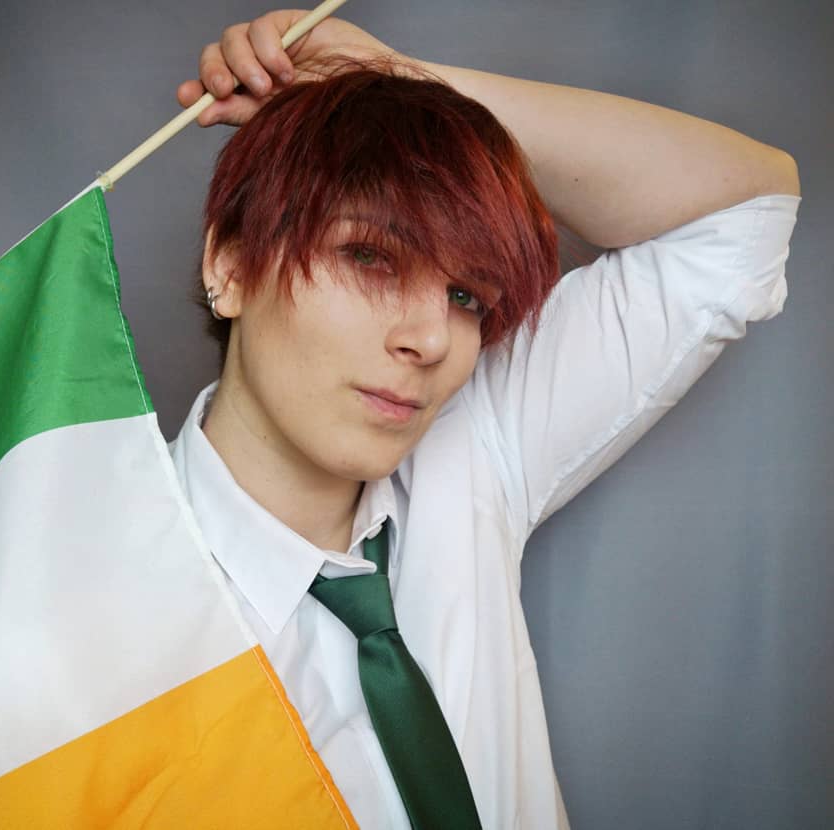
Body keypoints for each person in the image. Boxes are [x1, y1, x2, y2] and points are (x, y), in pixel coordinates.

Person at [166, 8, 802, 830]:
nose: (431, 340)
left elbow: (745, 214)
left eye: (466, 296)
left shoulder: (470, 444)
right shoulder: (101, 611)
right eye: (369, 256)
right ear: (229, 265)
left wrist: (403, 87)